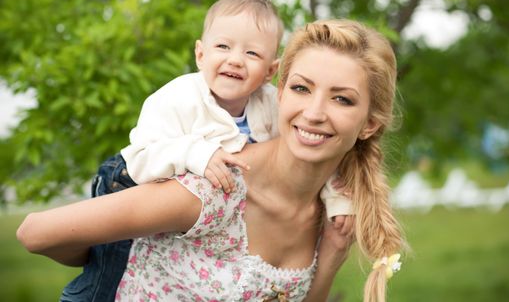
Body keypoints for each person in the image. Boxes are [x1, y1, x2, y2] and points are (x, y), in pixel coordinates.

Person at [18, 19, 406, 301]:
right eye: (302, 88)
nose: (315, 112)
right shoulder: (215, 189)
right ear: (279, 92)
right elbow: (36, 233)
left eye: (342, 99)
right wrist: (108, 259)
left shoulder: (332, 208)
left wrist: (334, 255)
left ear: (369, 124)